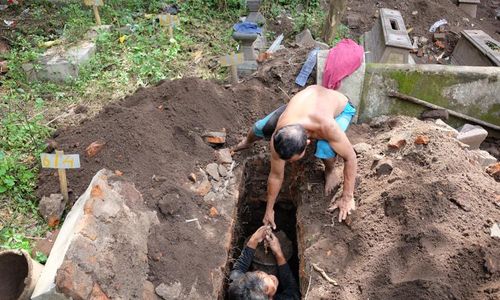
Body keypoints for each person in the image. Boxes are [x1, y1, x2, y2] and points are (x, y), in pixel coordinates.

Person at [232, 85, 357, 228]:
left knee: (325, 148)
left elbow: (350, 157)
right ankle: (246, 142)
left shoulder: (327, 127)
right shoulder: (279, 135)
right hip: (302, 107)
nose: (289, 164)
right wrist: (269, 210)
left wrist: (347, 197)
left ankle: (329, 170)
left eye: (293, 159)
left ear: (308, 142)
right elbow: (276, 176)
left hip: (341, 109)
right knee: (261, 127)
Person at [228, 226, 300, 299]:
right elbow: (293, 292)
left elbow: (240, 267)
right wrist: (279, 254)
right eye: (268, 288)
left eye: (260, 272)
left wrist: (254, 239)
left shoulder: (237, 289)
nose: (271, 276)